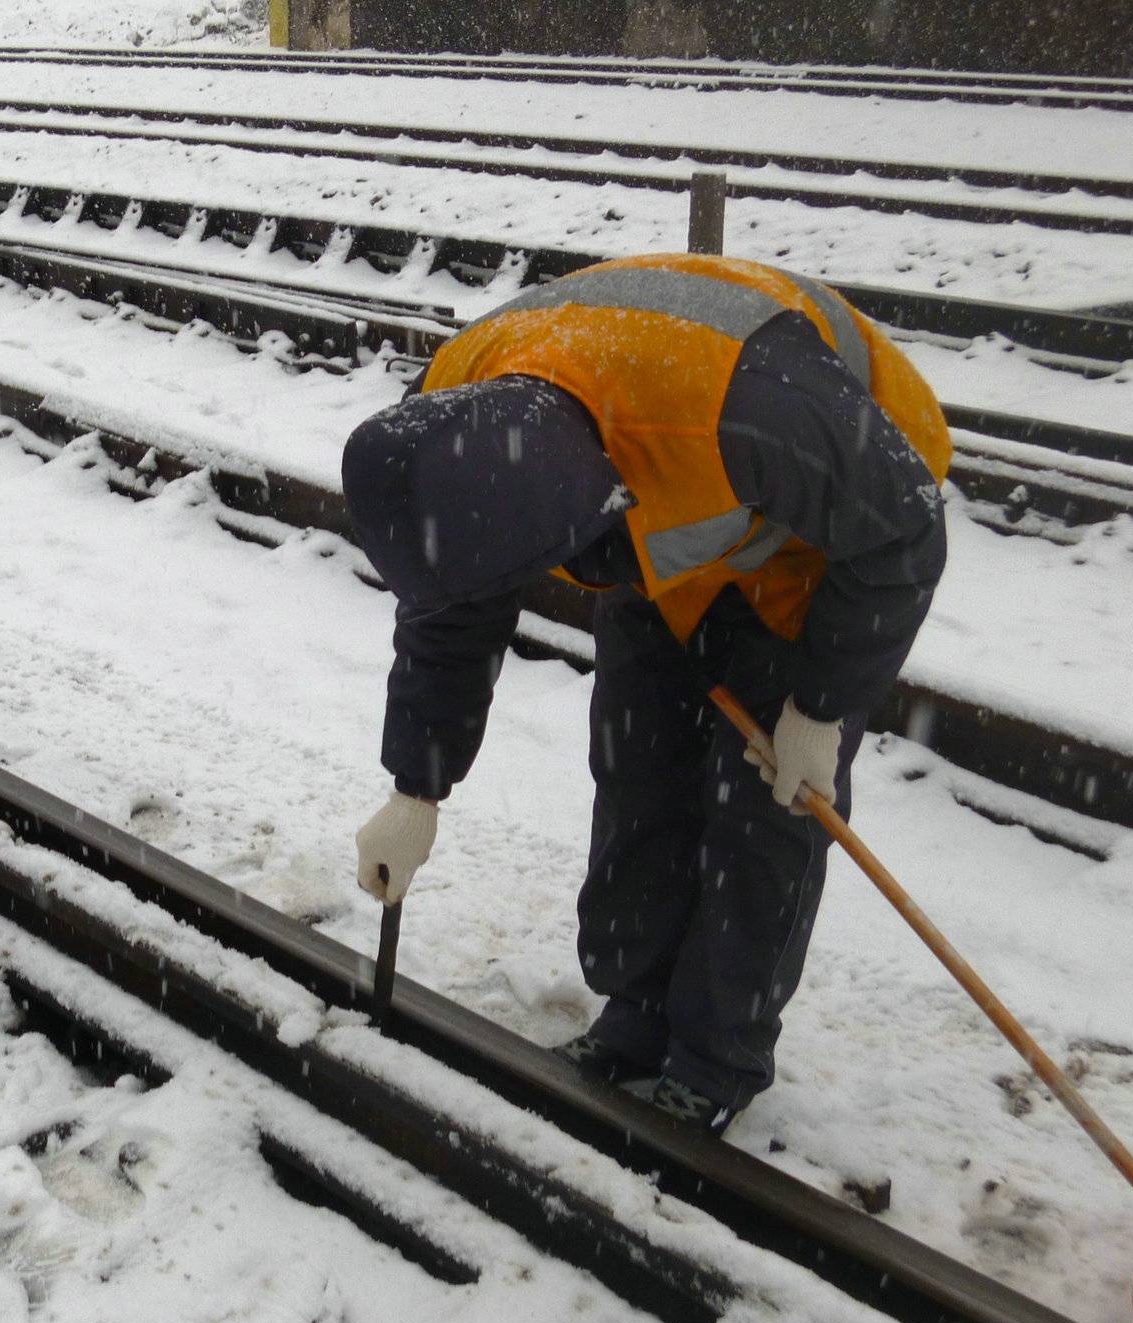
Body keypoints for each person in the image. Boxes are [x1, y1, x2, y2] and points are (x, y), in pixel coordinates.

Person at [342, 253, 950, 1135]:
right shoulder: (457, 418)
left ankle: (714, 1059)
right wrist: (416, 785)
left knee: (760, 804)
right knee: (638, 761)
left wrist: (819, 707)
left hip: (831, 532)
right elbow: (455, 605)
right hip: (668, 479)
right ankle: (636, 1014)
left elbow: (903, 529)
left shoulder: (751, 412)